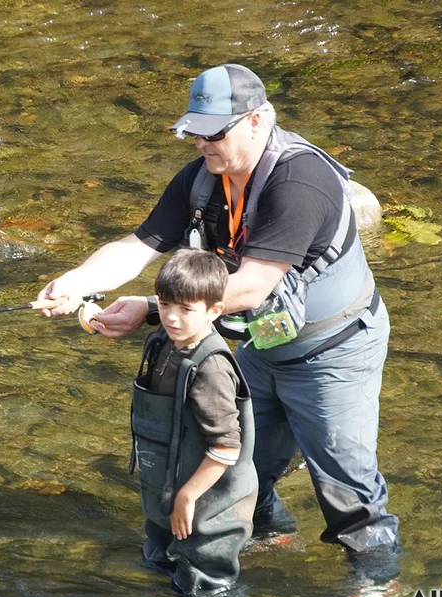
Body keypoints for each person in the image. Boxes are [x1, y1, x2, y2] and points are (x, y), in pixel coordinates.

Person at [38, 63, 399, 557]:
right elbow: (137, 247)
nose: (201, 144)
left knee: (346, 489)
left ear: (257, 120)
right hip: (262, 343)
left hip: (334, 349)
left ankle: (375, 583)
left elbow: (250, 288)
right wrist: (76, 282)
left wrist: (153, 308)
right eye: (194, 133)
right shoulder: (203, 180)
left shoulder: (300, 181)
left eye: (213, 133)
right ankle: (271, 534)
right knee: (240, 466)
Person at [132, 249, 257, 595]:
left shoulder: (211, 369)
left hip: (209, 495)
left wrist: (187, 496)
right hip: (170, 483)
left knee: (205, 587)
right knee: (157, 565)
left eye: (186, 310)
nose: (171, 318)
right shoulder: (168, 341)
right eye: (164, 304)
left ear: (214, 311)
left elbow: (226, 446)